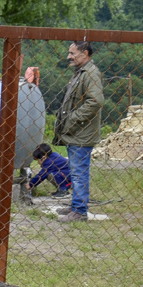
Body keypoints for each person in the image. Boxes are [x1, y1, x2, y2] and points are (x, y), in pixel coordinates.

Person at [53, 41, 103, 222]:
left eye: (72, 53)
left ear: (85, 53)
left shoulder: (90, 74)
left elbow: (95, 101)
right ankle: (76, 205)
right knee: (76, 170)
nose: (69, 57)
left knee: (79, 171)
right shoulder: (82, 73)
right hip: (77, 132)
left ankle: (80, 211)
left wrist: (73, 119)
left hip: (82, 133)